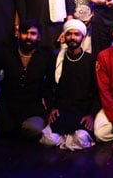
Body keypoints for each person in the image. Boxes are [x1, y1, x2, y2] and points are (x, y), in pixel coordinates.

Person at [0, 20, 55, 142]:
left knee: (33, 130)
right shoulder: (6, 53)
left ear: (39, 36)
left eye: (33, 33)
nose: (28, 37)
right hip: (6, 105)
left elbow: (49, 85)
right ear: (18, 34)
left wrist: (50, 108)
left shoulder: (46, 56)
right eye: (24, 33)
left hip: (32, 106)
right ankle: (2, 124)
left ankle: (14, 128)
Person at [40, 19, 99, 150]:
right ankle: (66, 140)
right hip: (61, 110)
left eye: (76, 34)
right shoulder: (56, 58)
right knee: (48, 140)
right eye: (69, 34)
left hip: (82, 112)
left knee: (81, 139)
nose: (72, 37)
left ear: (83, 38)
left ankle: (66, 139)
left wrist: (91, 115)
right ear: (64, 36)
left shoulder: (91, 60)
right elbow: (47, 87)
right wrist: (51, 109)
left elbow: (97, 91)